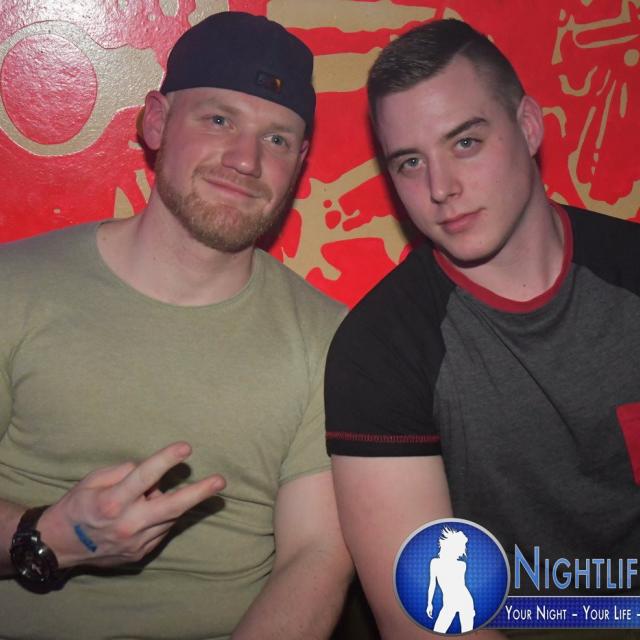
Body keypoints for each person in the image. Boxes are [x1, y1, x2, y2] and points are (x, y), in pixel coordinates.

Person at [0, 11, 353, 639]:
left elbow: (316, 557)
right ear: (157, 121)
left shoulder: (331, 340)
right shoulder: (13, 287)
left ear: (299, 160)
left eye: (276, 139)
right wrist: (48, 536)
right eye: (219, 120)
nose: (245, 160)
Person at [325, 18, 640, 640]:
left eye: (465, 142)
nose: (440, 188)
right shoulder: (379, 350)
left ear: (529, 126)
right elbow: (429, 623)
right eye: (410, 162)